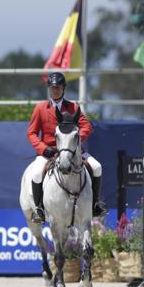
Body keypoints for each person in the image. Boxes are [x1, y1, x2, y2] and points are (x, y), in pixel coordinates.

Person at [27, 72, 108, 224]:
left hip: (72, 151)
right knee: (37, 173)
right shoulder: (40, 108)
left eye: (58, 88)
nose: (55, 90)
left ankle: (95, 204)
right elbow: (31, 133)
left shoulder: (73, 107)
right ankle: (39, 209)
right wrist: (44, 149)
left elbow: (87, 127)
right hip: (49, 152)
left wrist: (75, 141)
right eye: (52, 88)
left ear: (63, 88)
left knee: (97, 167)